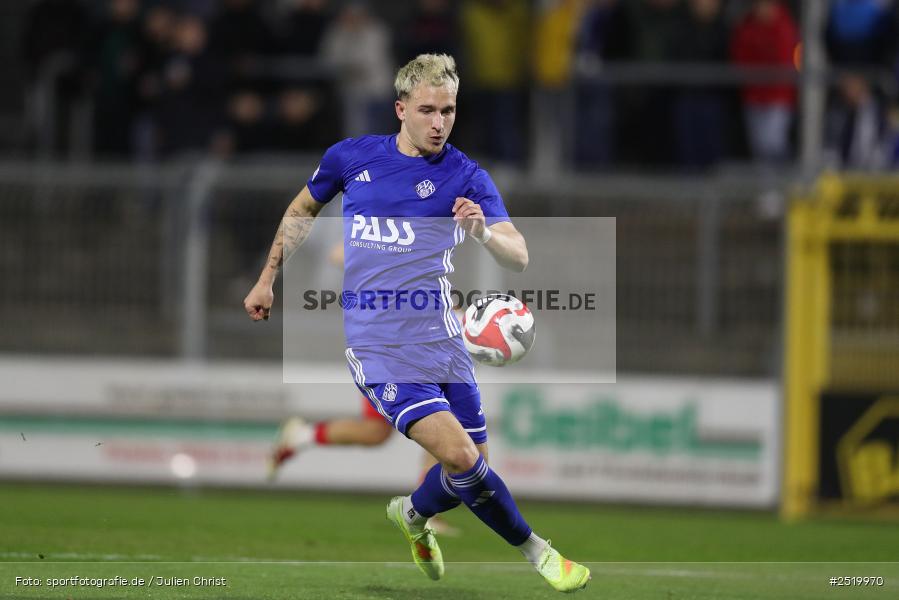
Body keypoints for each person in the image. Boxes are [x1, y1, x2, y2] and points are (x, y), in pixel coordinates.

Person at [243, 53, 590, 592]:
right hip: (378, 345)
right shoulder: (351, 158)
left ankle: (410, 514)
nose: (439, 122)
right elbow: (300, 211)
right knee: (461, 458)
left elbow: (518, 255)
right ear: (400, 109)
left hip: (444, 341)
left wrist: (483, 233)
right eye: (427, 109)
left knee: (468, 470)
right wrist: (267, 278)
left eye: (448, 110)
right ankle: (539, 552)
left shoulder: (467, 176)